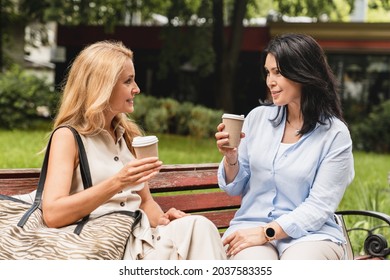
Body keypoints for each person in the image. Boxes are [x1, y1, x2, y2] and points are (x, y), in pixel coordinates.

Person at [20, 40, 226, 260]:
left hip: (140, 240)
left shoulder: (129, 136)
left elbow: (145, 202)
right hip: (102, 247)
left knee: (198, 227)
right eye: (128, 81)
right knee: (198, 233)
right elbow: (52, 214)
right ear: (102, 85)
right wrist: (118, 182)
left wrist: (165, 218)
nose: (136, 89)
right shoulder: (68, 136)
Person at [215, 33, 355, 260]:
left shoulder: (335, 135)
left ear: (303, 73)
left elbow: (319, 206)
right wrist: (231, 157)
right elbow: (234, 187)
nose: (270, 81)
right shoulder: (257, 119)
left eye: (278, 72)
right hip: (251, 227)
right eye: (268, 72)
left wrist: (268, 232)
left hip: (311, 235)